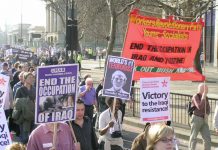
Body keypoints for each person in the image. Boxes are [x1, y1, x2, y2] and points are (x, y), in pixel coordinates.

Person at [189, 83, 211, 150]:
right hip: (196, 118)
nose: (207, 90)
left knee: (207, 138)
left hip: (204, 119)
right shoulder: (196, 96)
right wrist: (203, 98)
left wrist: (207, 114)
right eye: (206, 89)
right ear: (201, 89)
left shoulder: (206, 97)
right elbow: (199, 107)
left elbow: (208, 108)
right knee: (194, 137)